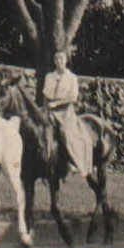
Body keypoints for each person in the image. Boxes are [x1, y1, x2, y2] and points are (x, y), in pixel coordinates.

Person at [42, 48, 93, 179]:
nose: (59, 61)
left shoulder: (72, 78)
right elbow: (46, 96)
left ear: (66, 61)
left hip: (65, 111)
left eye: (61, 59)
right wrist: (44, 108)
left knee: (65, 132)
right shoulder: (49, 77)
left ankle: (72, 162)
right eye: (56, 59)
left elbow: (73, 98)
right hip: (50, 110)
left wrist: (57, 104)